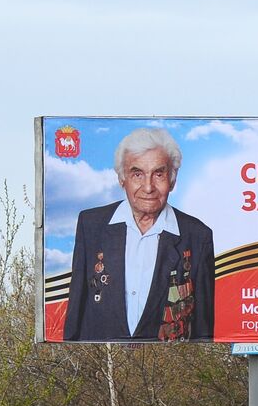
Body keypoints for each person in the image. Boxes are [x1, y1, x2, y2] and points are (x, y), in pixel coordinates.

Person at [63, 128, 216, 342]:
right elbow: (76, 309)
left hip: (168, 362)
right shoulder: (91, 225)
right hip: (99, 360)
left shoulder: (198, 236)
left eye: (159, 174)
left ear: (172, 180)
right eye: (137, 174)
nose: (148, 187)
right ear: (122, 178)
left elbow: (203, 329)